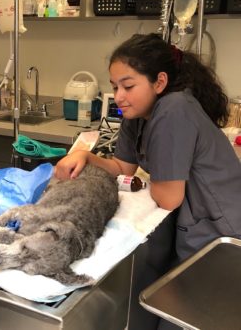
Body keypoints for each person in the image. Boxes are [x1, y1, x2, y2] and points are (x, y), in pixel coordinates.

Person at [55, 33, 241, 329]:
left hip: (222, 233)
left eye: (128, 86)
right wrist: (85, 157)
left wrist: (142, 184)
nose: (119, 96)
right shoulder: (137, 114)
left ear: (160, 82)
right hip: (195, 227)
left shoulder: (174, 109)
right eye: (115, 87)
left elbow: (168, 197)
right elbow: (122, 166)